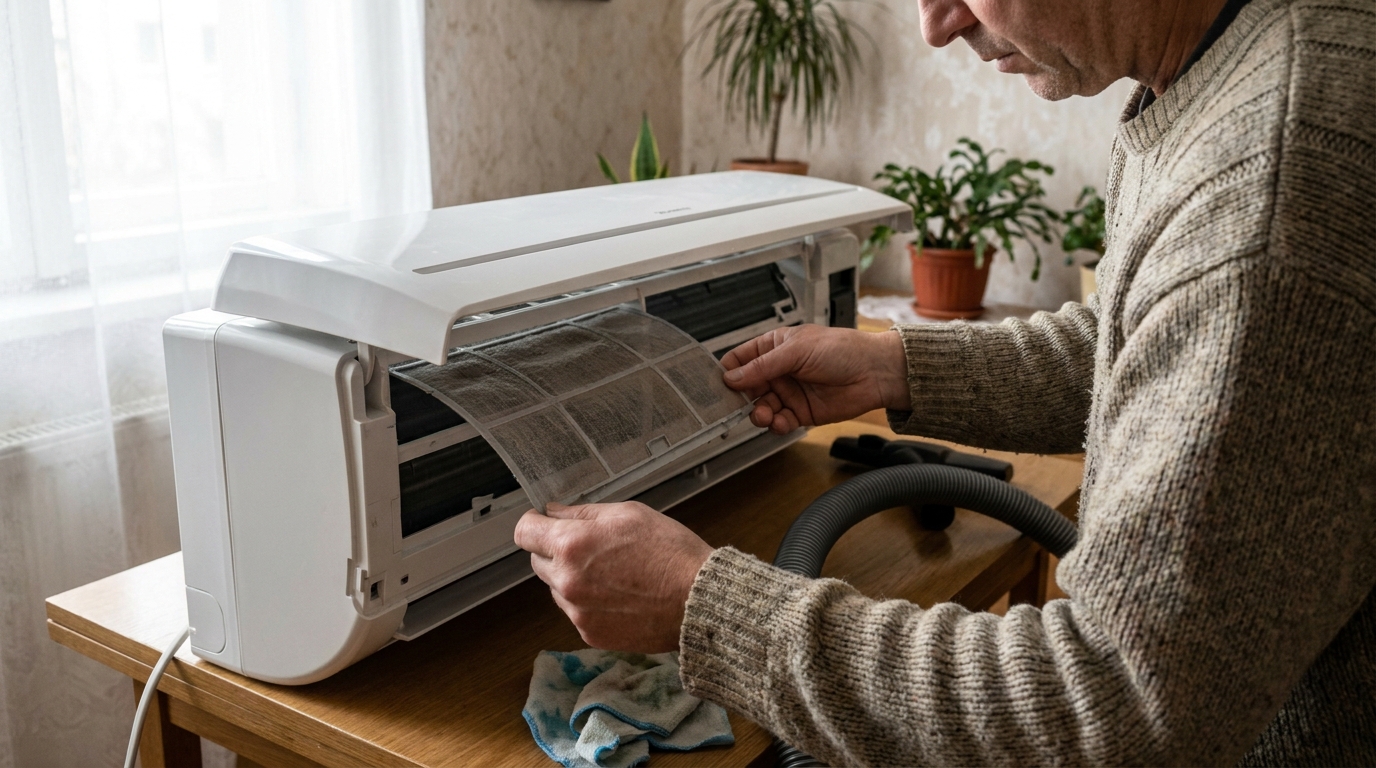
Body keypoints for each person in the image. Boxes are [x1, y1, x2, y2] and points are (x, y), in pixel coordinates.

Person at [514, 0, 1376, 762]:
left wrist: (708, 608)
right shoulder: (1231, 63)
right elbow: (1152, 343)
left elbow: (1114, 706)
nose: (936, 24)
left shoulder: (1270, 194)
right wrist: (899, 364)